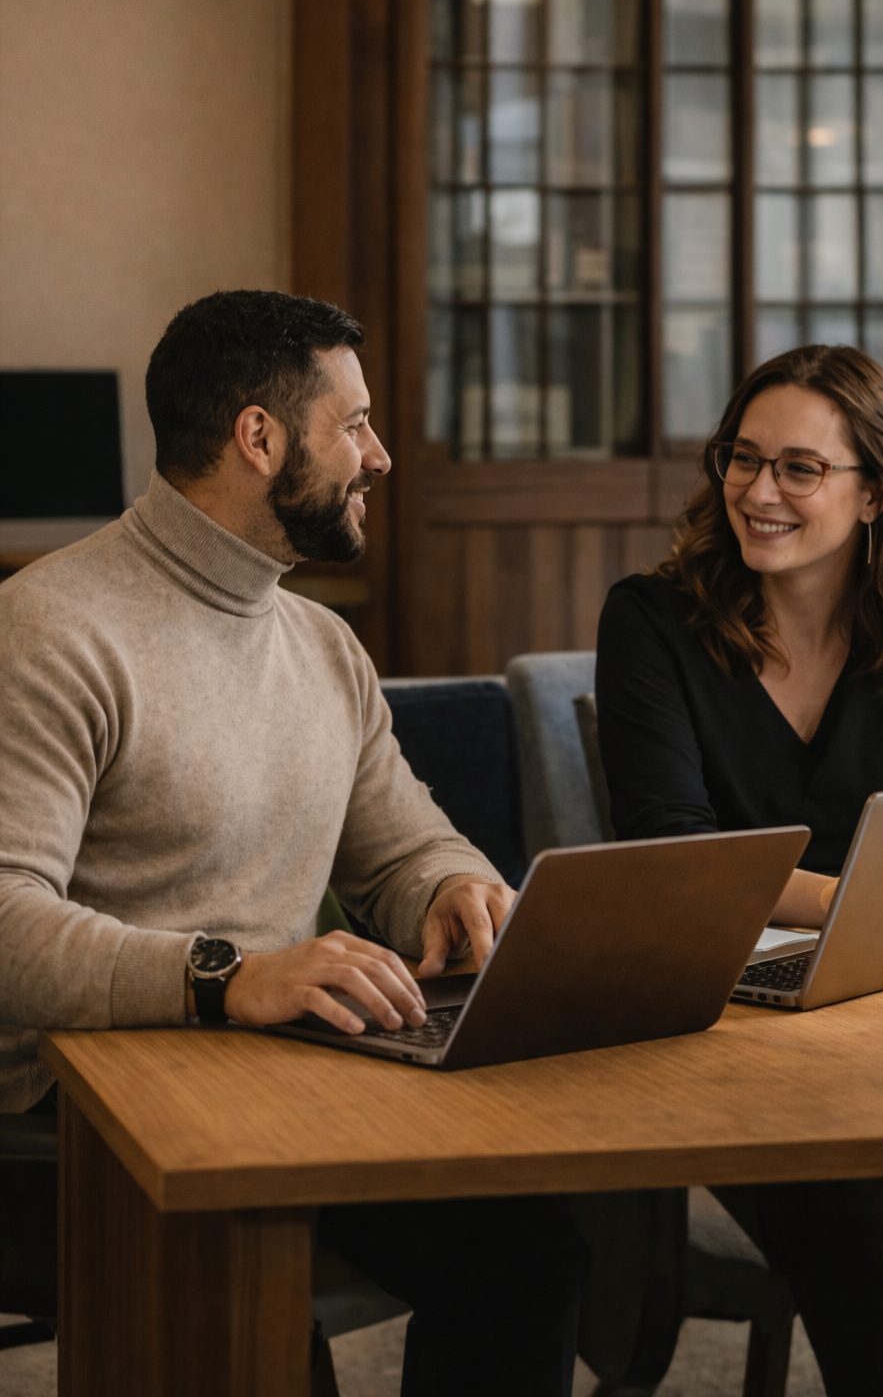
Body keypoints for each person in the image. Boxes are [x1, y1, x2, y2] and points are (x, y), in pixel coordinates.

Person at [0, 289, 584, 1397]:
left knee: (527, 1254)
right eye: (353, 423)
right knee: (258, 1335)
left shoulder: (322, 643)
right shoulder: (50, 628)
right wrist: (233, 978)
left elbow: (402, 843)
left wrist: (452, 888)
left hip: (279, 1076)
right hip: (74, 1112)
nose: (382, 455)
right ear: (257, 438)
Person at [596, 344, 883, 1397]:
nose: (756, 491)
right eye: (741, 459)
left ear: (874, 490)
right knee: (846, 1211)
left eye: (798, 467)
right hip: (741, 1019)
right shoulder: (651, 622)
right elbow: (675, 855)